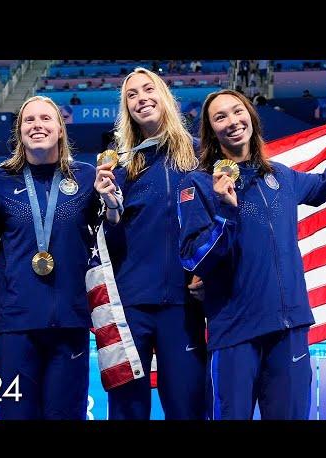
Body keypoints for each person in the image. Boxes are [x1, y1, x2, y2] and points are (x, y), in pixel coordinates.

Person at [177, 89, 326, 420]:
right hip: (234, 332)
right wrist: (226, 215)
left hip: (288, 327)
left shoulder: (280, 176)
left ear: (251, 117)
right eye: (220, 117)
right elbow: (194, 258)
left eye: (237, 111)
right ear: (211, 132)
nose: (232, 121)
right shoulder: (198, 185)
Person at [95, 67, 206, 420]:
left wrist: (209, 272)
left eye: (148, 90)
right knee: (127, 410)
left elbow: (220, 222)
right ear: (126, 108)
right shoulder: (122, 168)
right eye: (132, 95)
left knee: (188, 407)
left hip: (184, 304)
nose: (141, 98)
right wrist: (111, 211)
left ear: (164, 97)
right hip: (132, 306)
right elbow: (109, 242)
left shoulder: (200, 157)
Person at [0, 96, 98, 419]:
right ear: (20, 132)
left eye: (46, 119)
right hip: (15, 326)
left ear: (61, 129)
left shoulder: (87, 177)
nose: (37, 125)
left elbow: (110, 236)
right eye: (29, 120)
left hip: (69, 322)